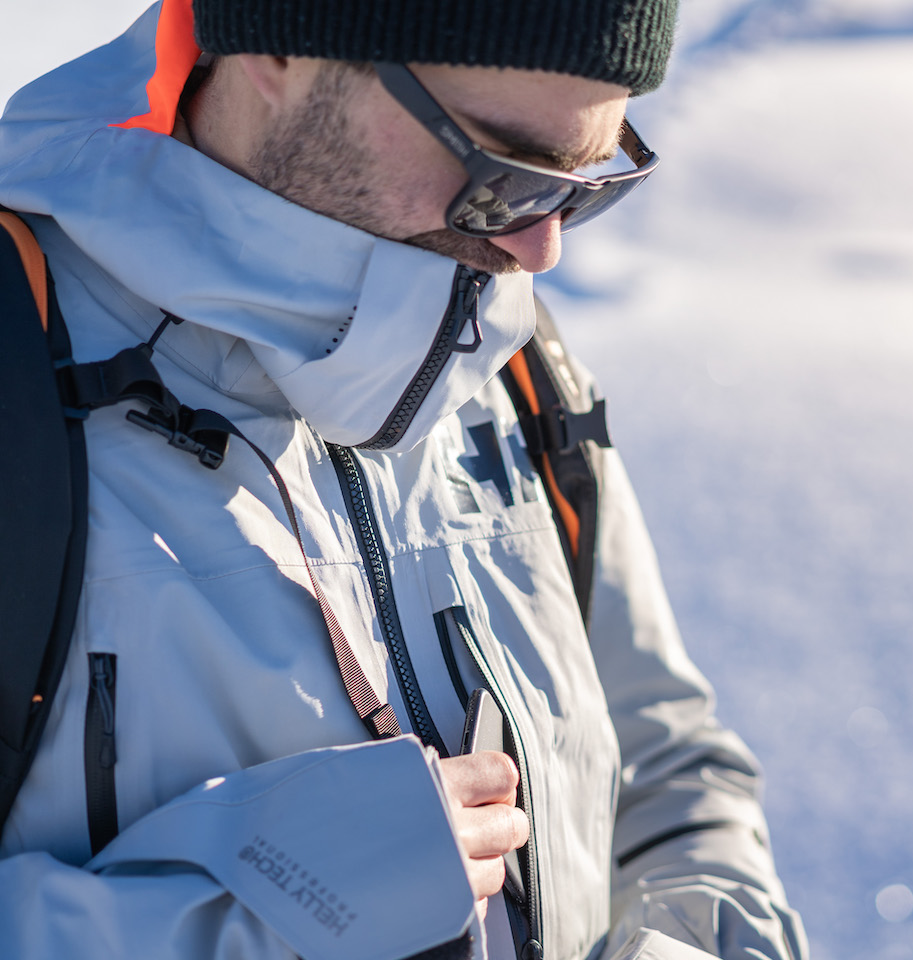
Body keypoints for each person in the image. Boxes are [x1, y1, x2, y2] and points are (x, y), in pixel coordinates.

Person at [0, 1, 808, 959]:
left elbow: (666, 761)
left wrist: (700, 942)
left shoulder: (505, 356)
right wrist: (266, 921)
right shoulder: (19, 358)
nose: (541, 248)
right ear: (282, 43)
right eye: (502, 166)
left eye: (582, 181)